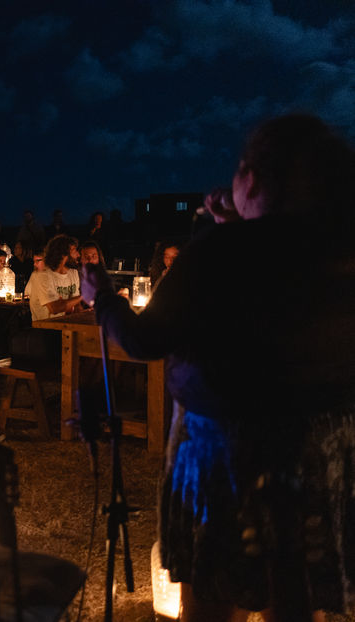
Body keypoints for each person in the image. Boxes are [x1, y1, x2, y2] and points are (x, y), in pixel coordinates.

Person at [81, 114, 355, 621]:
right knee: (295, 597)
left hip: (229, 456)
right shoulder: (338, 249)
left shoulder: (218, 252)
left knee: (214, 596)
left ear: (251, 176)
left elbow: (144, 339)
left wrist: (103, 298)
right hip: (320, 458)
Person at [24, 235, 82, 322]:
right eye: (74, 251)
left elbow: (76, 305)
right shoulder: (42, 275)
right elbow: (54, 308)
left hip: (66, 325)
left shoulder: (73, 273)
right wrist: (84, 296)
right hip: (45, 327)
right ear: (63, 255)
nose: (78, 255)